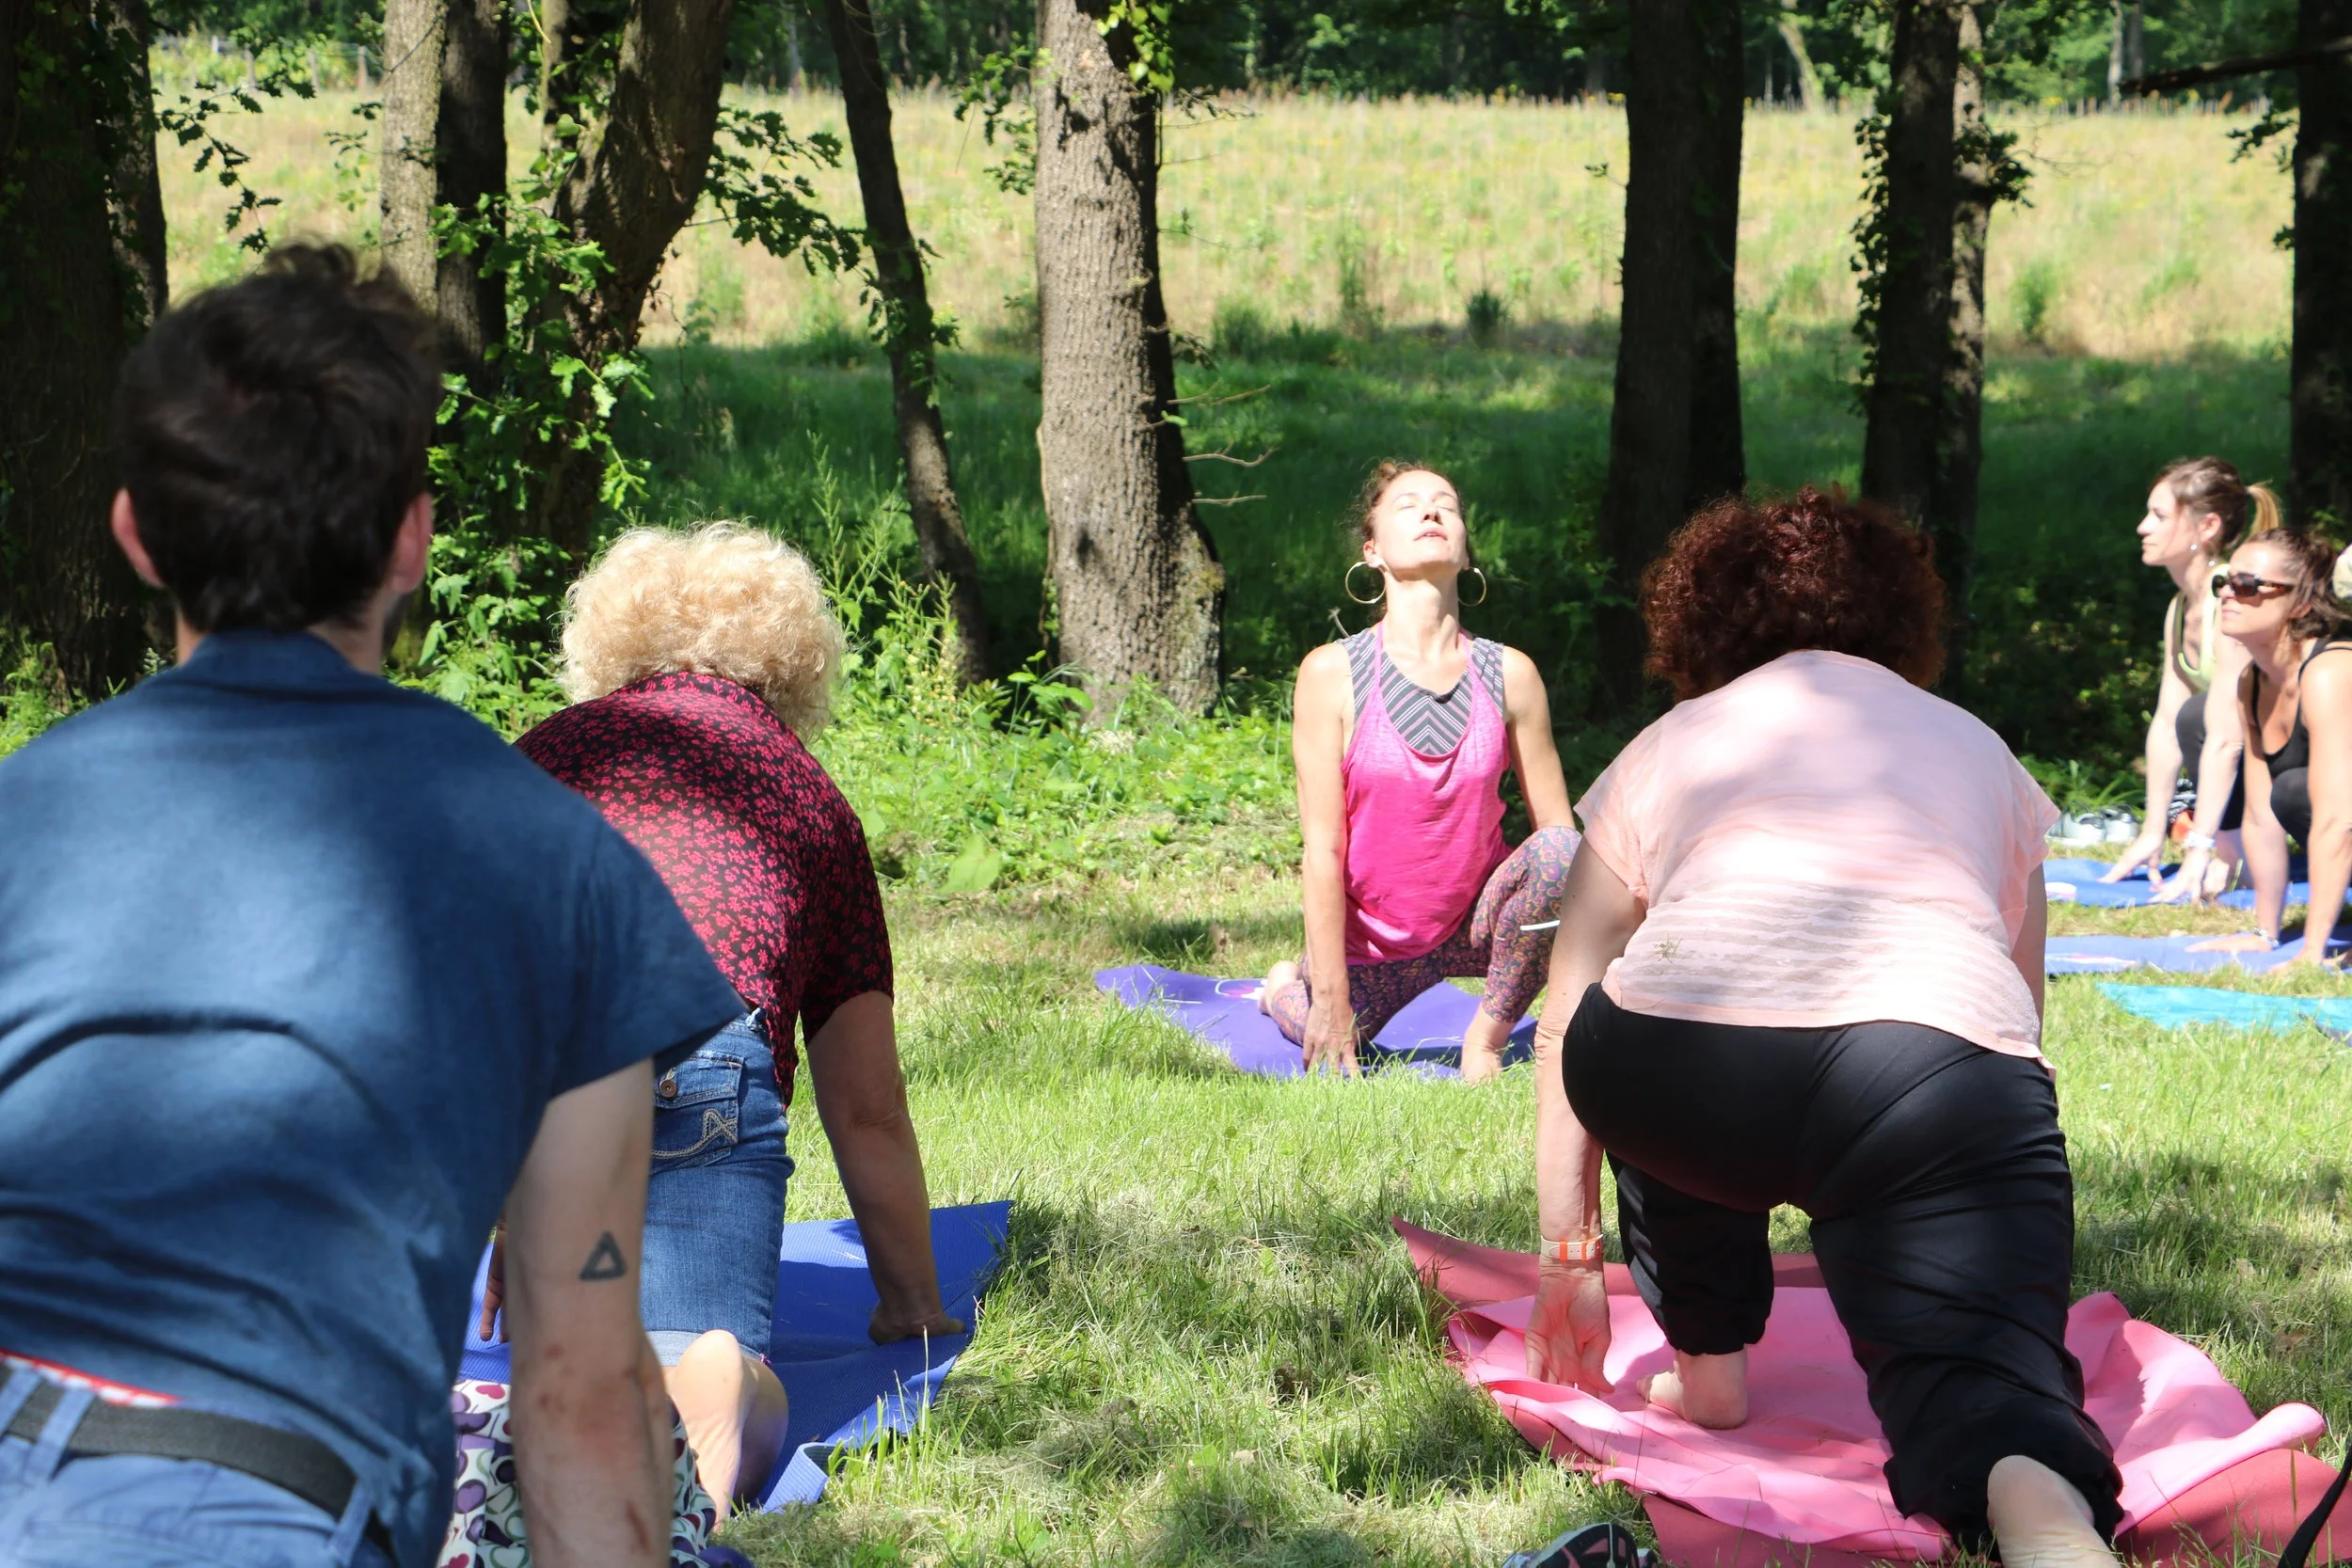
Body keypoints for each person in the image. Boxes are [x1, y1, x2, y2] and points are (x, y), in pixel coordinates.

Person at [0, 246, 743, 1568]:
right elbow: (577, 1387)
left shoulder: (22, 812)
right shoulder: (560, 869)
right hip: (261, 1504)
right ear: (414, 540)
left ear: (134, 533)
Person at [1524, 490, 2125, 1568]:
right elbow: (2013, 1020)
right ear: (1900, 619)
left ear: (1704, 619)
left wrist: (1570, 1257)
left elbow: (1567, 1012)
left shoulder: (1673, 738)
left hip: (1673, 1073)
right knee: (1987, 1391)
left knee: (1665, 1013)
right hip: (1928, 1069)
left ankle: (1707, 1360)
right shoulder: (1976, 748)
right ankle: (2040, 1509)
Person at [507, 524, 964, 1513]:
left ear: (608, 641)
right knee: (687, 1355)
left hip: (553, 1068)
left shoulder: (542, 757)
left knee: (559, 1369)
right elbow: (867, 1103)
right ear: (794, 662)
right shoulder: (812, 800)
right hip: (710, 1052)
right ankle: (717, 1390)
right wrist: (913, 1303)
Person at [1258, 461, 1579, 1084]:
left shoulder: (1513, 674)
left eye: (1446, 505)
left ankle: (1482, 1039)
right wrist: (1329, 994)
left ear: (1465, 553)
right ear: (1371, 549)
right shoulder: (1331, 673)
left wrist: (1585, 1000)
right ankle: (1279, 987)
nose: (1431, 512)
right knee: (1325, 1031)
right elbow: (1323, 848)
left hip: (1476, 927)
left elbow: (1559, 843)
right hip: (1373, 948)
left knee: (1565, 854)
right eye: (1407, 505)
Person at [2104, 459, 2281, 901]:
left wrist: (2205, 847)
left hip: (2301, 759)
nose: (2143, 527)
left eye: (2160, 516)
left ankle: (2240, 847)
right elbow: (2165, 724)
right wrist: (2151, 832)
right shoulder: (2180, 607)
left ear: (2207, 527)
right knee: (2187, 715)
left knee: (2199, 715)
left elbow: (2226, 735)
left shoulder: (2233, 599)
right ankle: (2232, 841)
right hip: (2252, 752)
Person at [2191, 530, 2352, 962]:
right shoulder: (2253, 681)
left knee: (2298, 790)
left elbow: (2340, 821)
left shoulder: (2332, 672)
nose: (2228, 594)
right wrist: (2266, 933)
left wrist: (2311, 953)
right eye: (2223, 583)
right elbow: (2260, 816)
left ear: (2300, 603)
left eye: (2247, 585)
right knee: (2288, 794)